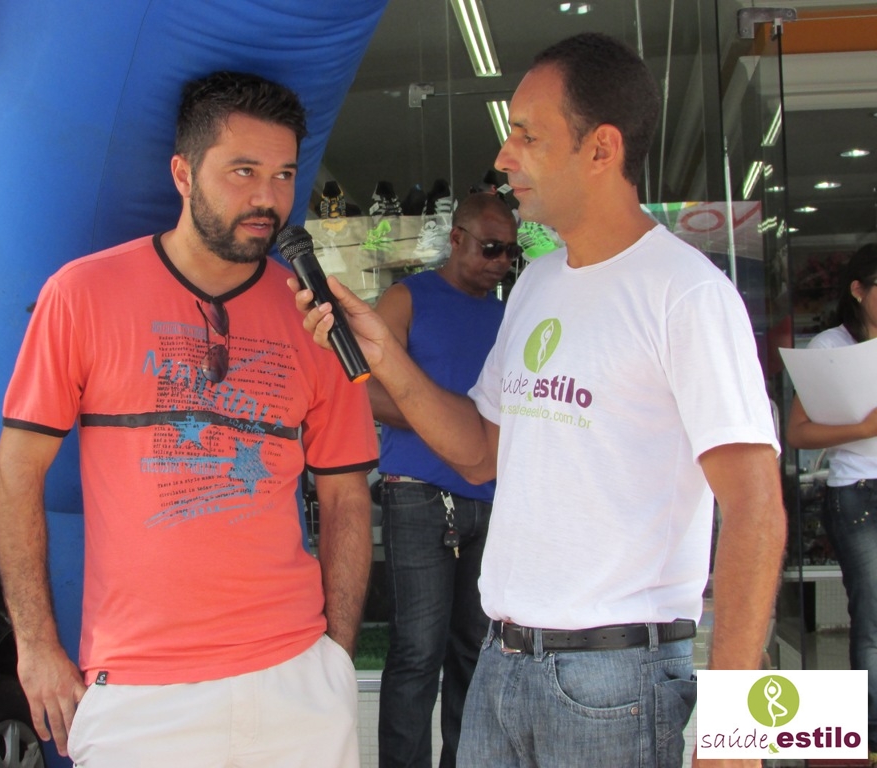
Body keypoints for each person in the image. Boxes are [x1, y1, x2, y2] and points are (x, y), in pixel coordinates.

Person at [294, 32, 786, 768]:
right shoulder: (537, 285)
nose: (504, 155)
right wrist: (385, 358)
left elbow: (755, 508)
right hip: (502, 664)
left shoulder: (686, 294)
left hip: (615, 679)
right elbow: (481, 452)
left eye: (528, 134)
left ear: (602, 148)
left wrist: (735, 739)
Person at [0, 71, 378, 767]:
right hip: (141, 693)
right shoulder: (83, 295)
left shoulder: (313, 316)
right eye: (243, 171)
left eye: (284, 175)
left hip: (296, 681)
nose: (267, 198)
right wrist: (37, 646)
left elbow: (346, 495)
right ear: (182, 173)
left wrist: (337, 657)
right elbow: (17, 472)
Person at [372, 192, 516, 768]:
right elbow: (365, 390)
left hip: (493, 497)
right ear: (457, 239)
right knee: (417, 652)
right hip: (417, 493)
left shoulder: (510, 315)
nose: (502, 261)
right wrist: (454, 425)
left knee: (476, 652)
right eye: (491, 248)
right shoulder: (407, 298)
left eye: (510, 252)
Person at [787, 243, 877, 763]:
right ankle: (871, 735)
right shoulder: (831, 347)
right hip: (859, 491)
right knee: (872, 614)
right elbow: (798, 431)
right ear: (858, 290)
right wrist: (863, 429)